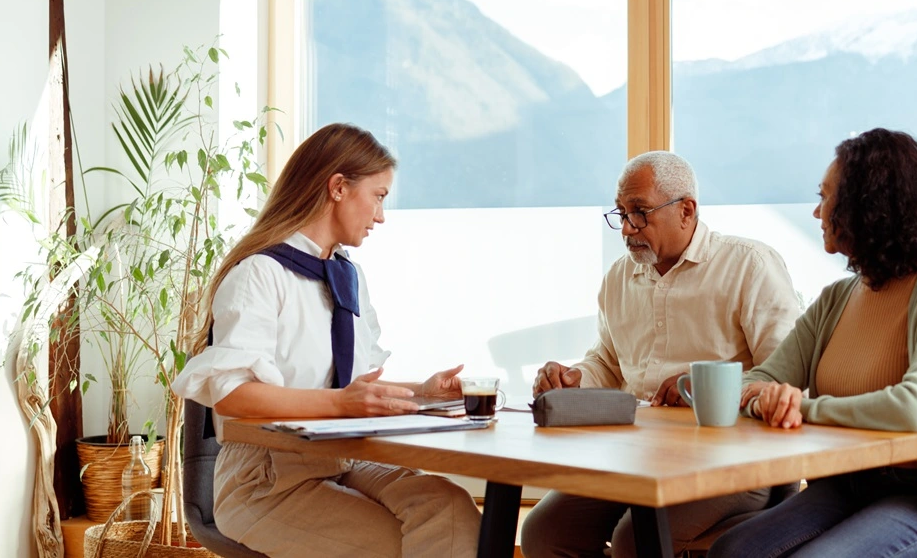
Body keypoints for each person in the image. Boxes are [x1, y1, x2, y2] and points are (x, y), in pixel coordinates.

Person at [709, 128, 917, 558]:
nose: (816, 211)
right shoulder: (836, 299)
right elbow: (761, 379)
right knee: (731, 552)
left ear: (868, 207)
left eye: (825, 197)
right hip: (846, 486)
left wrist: (804, 408)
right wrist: (766, 400)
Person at [171, 123, 480, 558]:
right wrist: (341, 406)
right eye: (379, 196)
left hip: (341, 458)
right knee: (399, 547)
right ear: (338, 187)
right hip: (265, 479)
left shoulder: (346, 275)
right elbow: (232, 398)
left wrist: (422, 393)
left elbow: (355, 391)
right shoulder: (260, 275)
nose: (381, 216)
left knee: (452, 512)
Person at [521, 151, 802, 558]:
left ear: (686, 210)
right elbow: (607, 361)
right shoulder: (620, 276)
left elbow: (788, 376)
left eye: (640, 213)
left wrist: (702, 386)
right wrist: (574, 377)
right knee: (545, 533)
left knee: (634, 541)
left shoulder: (749, 265)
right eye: (621, 213)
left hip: (735, 460)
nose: (627, 228)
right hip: (637, 453)